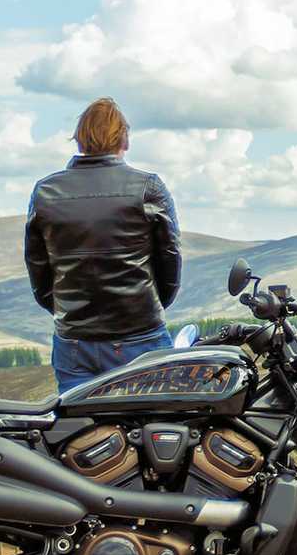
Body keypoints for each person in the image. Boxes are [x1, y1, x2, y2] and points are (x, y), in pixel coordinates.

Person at [24, 97, 183, 392]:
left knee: (81, 432)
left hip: (75, 339)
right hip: (141, 334)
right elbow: (170, 260)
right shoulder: (148, 188)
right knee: (155, 427)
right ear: (124, 138)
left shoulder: (46, 191)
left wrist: (68, 311)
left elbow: (38, 270)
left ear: (80, 138)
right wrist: (146, 308)